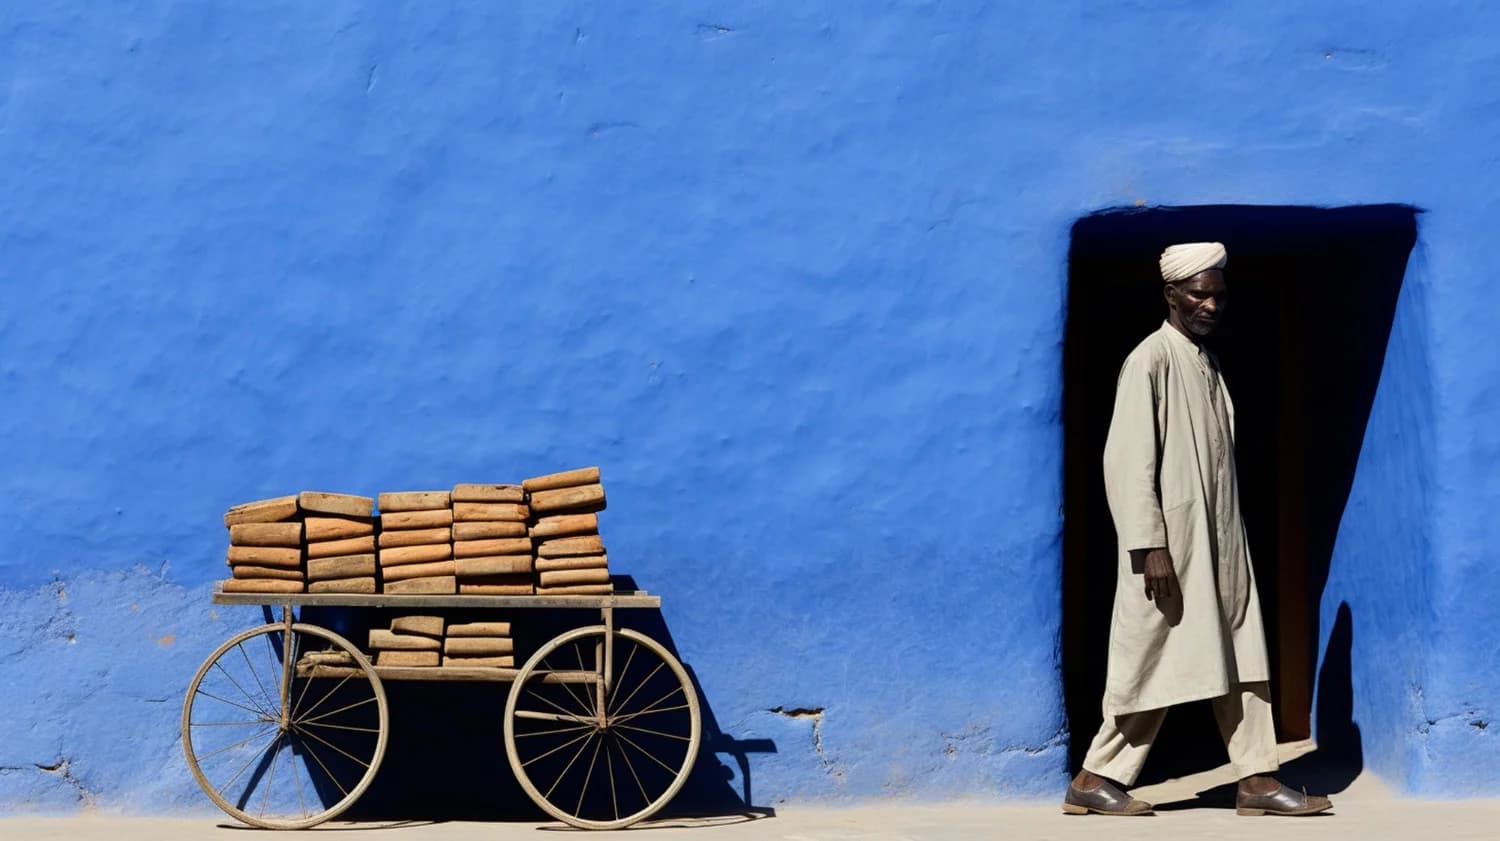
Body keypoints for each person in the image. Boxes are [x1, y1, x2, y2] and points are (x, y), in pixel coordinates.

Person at [1061, 242, 1332, 817]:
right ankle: (1095, 776)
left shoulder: (1204, 362)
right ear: (1171, 294)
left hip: (1221, 542)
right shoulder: (1150, 359)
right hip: (1171, 548)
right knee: (1151, 654)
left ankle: (1257, 778)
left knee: (1243, 650)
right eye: (1199, 294)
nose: (1211, 305)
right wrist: (1150, 544)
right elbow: (1127, 460)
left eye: (1219, 295)